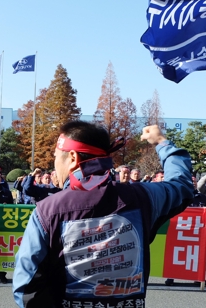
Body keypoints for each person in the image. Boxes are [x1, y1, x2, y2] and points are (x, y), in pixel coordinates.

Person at [12, 121, 193, 308]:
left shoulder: (48, 210)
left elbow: (26, 286)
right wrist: (161, 142)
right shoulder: (143, 197)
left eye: (56, 156)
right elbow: (182, 185)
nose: (55, 163)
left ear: (72, 157)